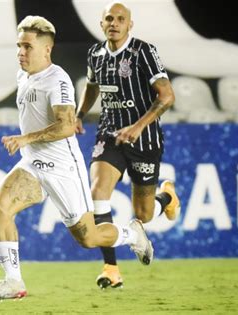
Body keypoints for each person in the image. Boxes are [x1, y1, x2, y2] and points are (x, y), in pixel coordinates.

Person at [0, 15, 154, 300]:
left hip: (63, 167)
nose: (21, 52)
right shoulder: (23, 75)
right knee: (0, 207)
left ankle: (132, 236)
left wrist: (25, 138)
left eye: (27, 46)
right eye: (19, 46)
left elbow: (66, 126)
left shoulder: (58, 80)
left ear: (46, 50)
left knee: (88, 238)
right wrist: (28, 145)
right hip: (32, 163)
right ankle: (14, 282)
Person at [75, 1, 181, 290]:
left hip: (143, 140)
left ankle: (167, 199)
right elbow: (92, 85)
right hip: (109, 134)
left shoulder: (144, 52)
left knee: (144, 214)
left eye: (121, 18)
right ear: (101, 24)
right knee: (98, 193)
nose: (114, 22)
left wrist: (137, 127)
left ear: (129, 25)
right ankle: (111, 268)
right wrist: (79, 114)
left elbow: (167, 96)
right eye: (109, 18)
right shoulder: (95, 54)